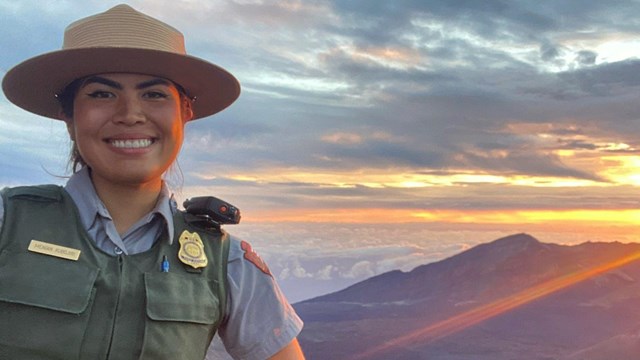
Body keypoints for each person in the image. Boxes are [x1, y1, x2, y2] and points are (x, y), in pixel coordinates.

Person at [0, 4, 304, 360]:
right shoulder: (9, 223)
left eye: (154, 94)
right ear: (68, 115)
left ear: (184, 113)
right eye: (101, 93)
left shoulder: (227, 262)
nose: (130, 114)